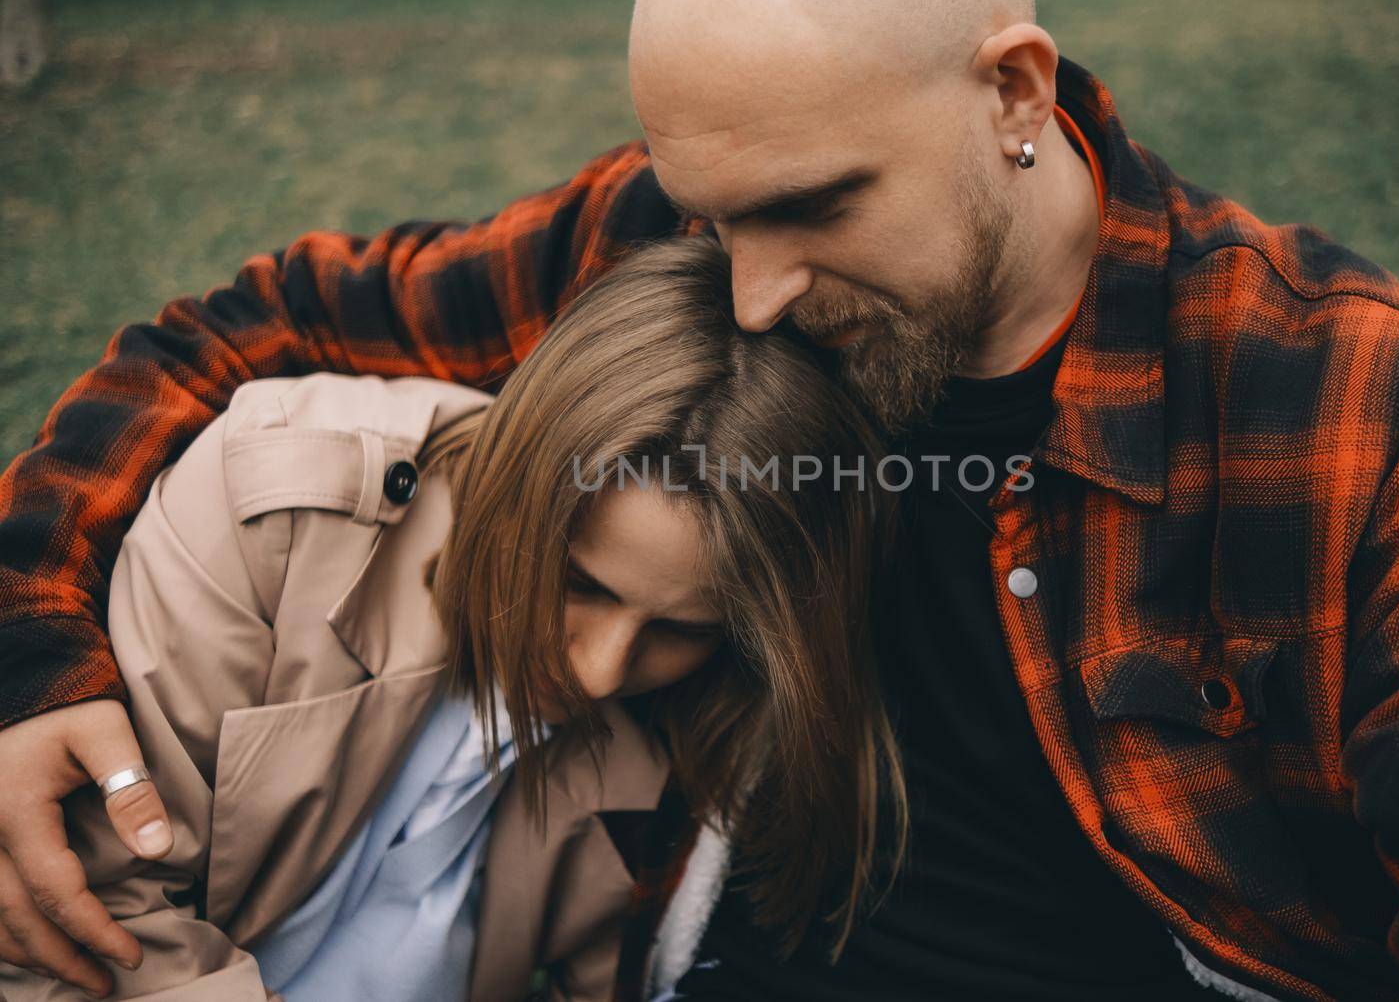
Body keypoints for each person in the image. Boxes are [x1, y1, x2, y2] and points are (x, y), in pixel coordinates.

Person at [1, 0, 1399, 999]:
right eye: (714, 213)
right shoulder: (683, 249)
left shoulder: (1356, 412)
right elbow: (244, 330)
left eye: (816, 206)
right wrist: (31, 650)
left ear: (1015, 94)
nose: (751, 291)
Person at [0, 237, 906, 1000]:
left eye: (684, 628)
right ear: (520, 483)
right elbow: (89, 917)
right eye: (581, 581)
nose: (600, 672)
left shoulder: (659, 768)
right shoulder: (281, 512)